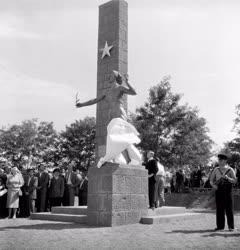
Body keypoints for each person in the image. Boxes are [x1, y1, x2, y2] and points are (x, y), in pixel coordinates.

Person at [76, 71, 142, 167]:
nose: (108, 77)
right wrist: (82, 104)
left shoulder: (120, 88)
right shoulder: (106, 92)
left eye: (111, 75)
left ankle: (134, 158)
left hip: (119, 114)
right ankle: (125, 159)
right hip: (111, 117)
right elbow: (95, 100)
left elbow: (134, 92)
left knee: (117, 138)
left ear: (115, 77)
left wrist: (127, 82)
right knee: (118, 139)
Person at [210, 153, 237, 231]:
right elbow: (211, 180)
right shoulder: (216, 169)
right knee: (219, 209)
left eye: (221, 160)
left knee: (229, 208)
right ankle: (220, 226)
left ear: (225, 160)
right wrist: (213, 186)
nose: (219, 161)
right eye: (219, 160)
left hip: (228, 190)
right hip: (219, 190)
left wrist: (228, 178)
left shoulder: (230, 169)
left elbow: (235, 181)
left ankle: (231, 227)